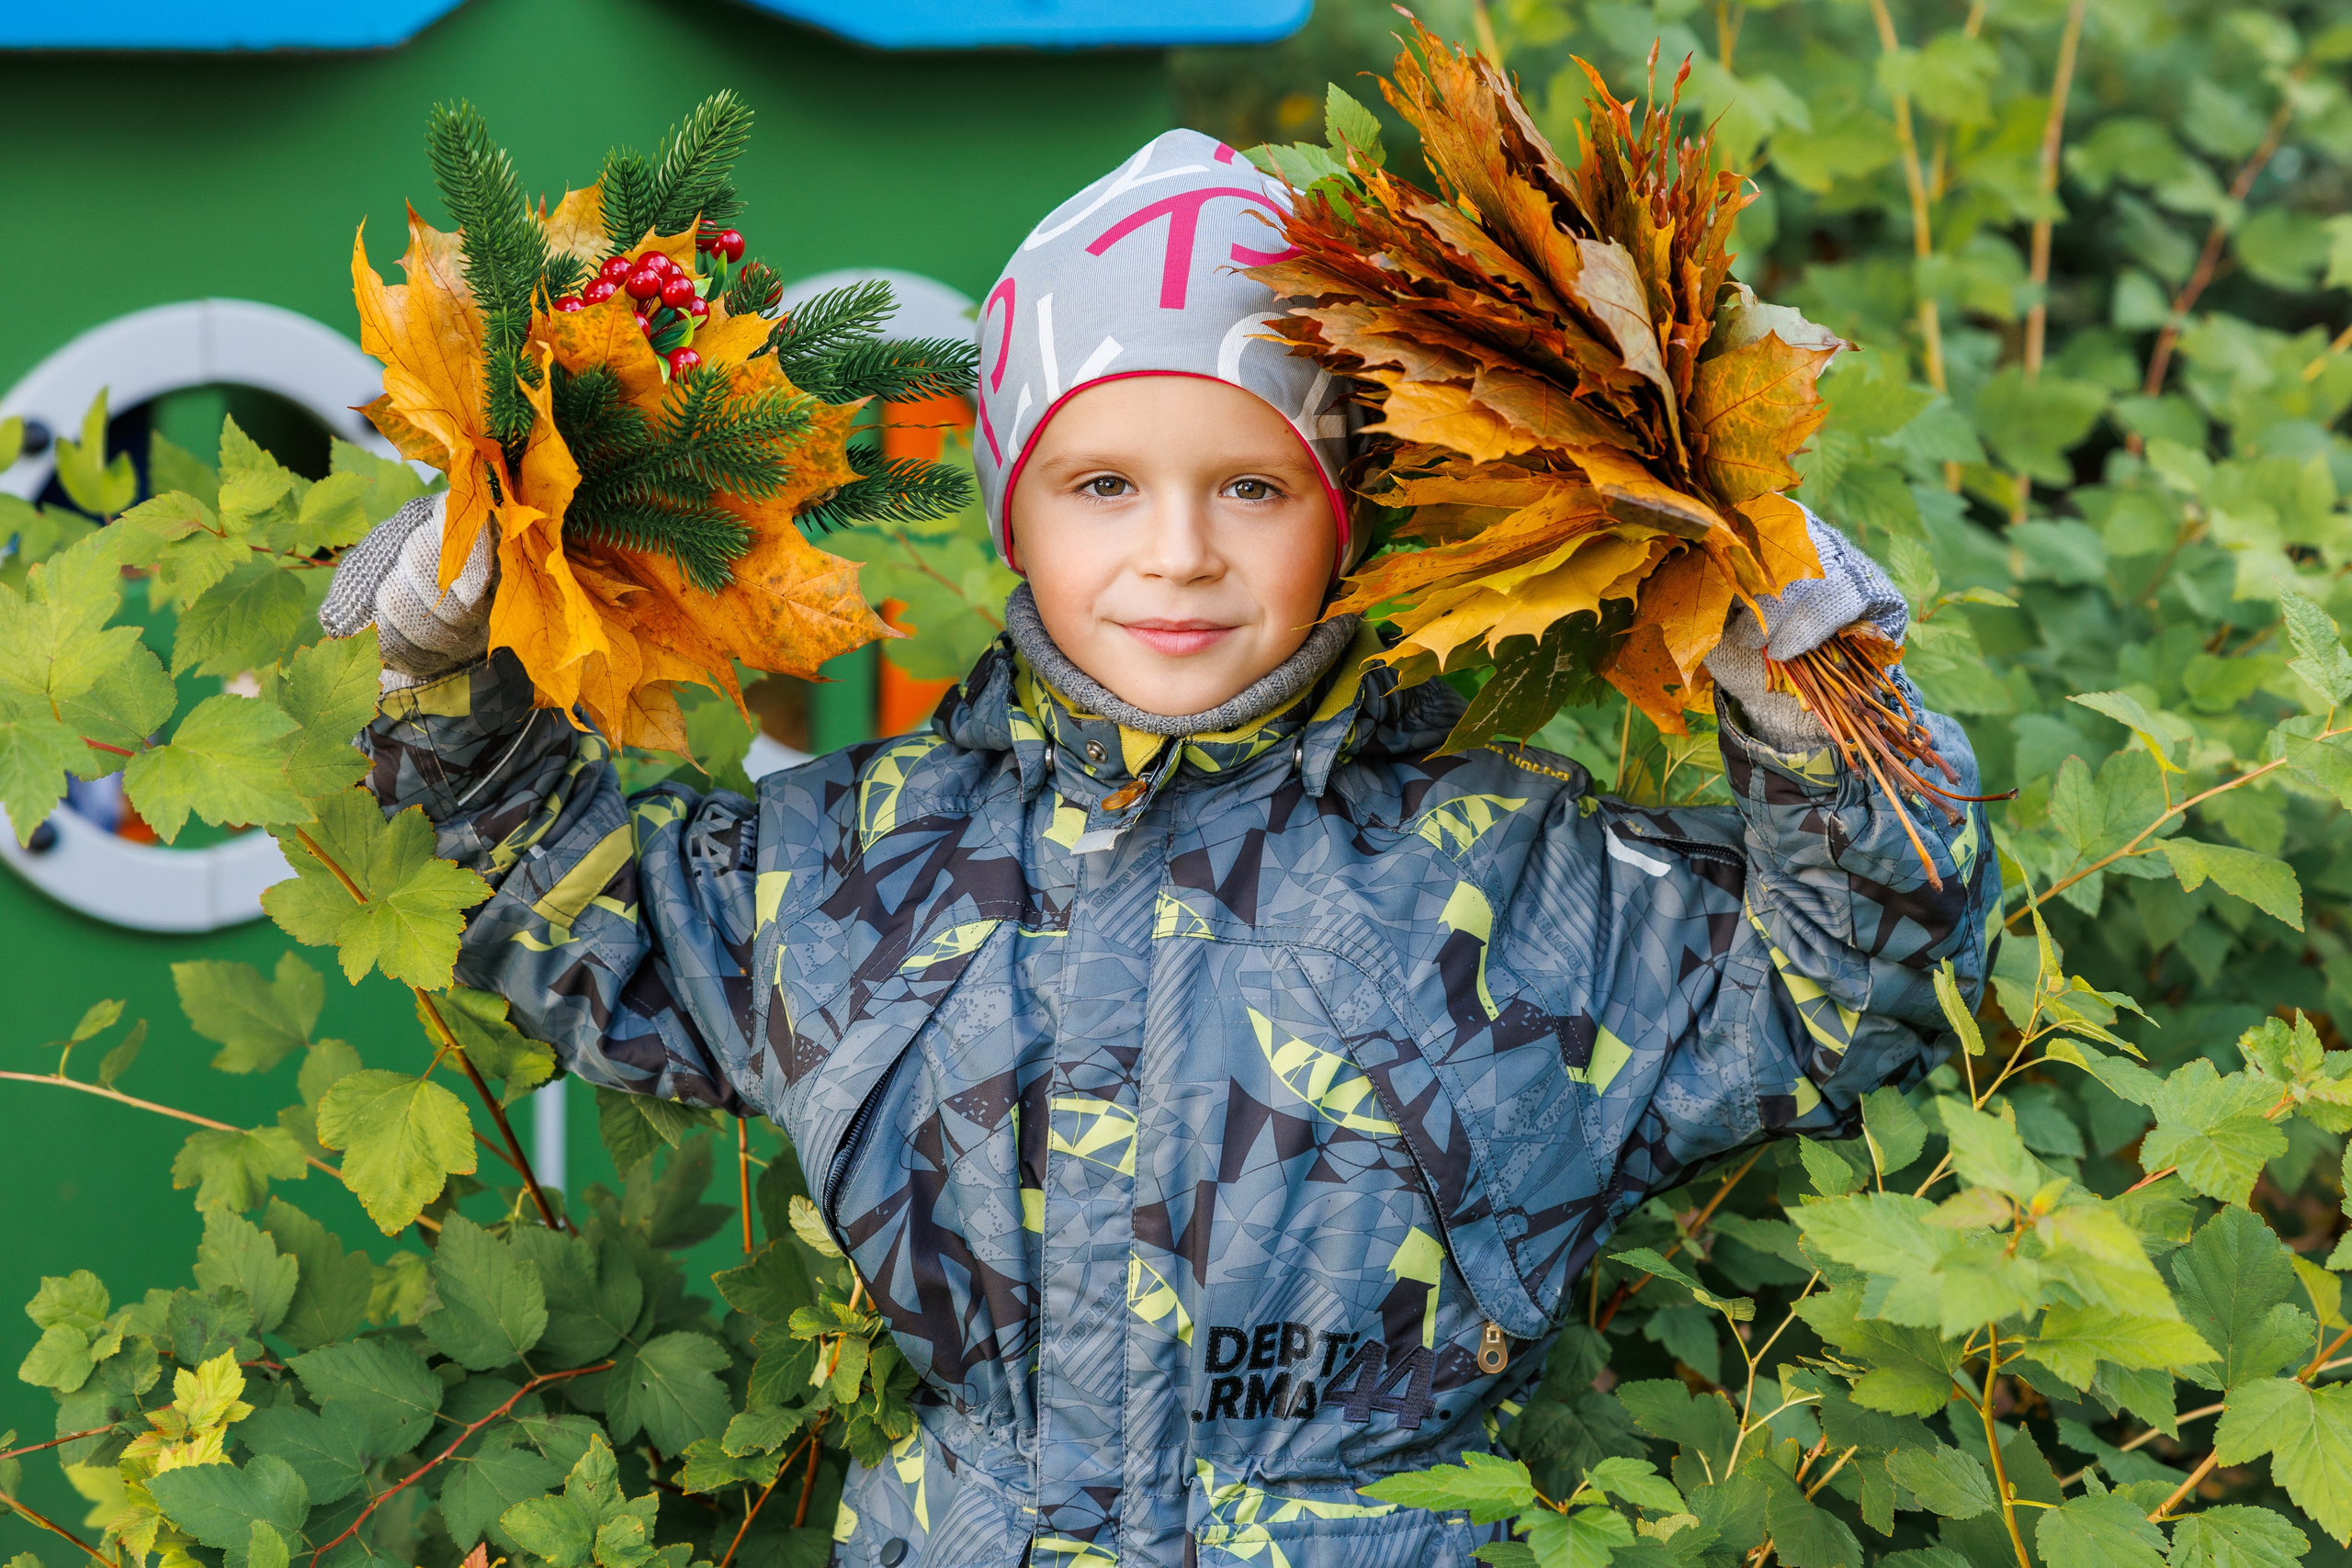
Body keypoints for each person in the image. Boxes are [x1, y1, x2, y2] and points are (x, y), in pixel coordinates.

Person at [323, 129, 1996, 1568]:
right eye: (1104, 485)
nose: (1179, 552)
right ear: (1014, 507)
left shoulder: (1513, 871)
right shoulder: (854, 865)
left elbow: (1850, 989)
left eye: (1254, 487)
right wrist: (437, 674)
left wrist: (1809, 699)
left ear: (1347, 506)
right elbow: (572, 912)